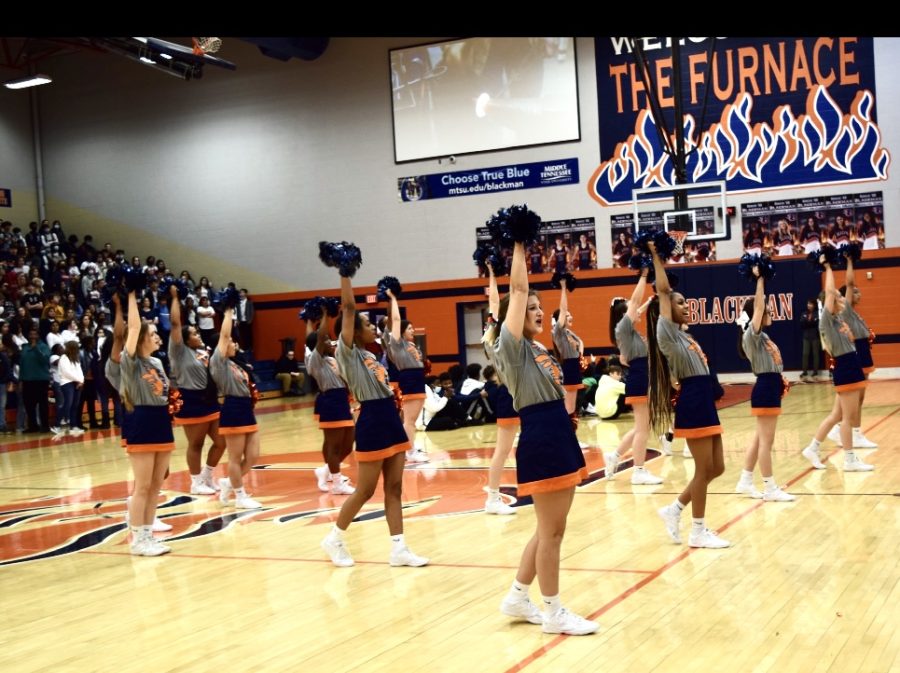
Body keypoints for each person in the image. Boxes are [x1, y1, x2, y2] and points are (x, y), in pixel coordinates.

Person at [491, 235, 595, 636]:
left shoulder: (540, 350)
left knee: (550, 527)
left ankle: (519, 595)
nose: (538, 311)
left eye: (540, 306)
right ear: (513, 317)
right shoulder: (511, 346)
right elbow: (516, 289)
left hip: (557, 434)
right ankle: (553, 613)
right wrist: (519, 243)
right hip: (542, 438)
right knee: (552, 531)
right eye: (530, 307)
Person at [320, 257, 428, 568]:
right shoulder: (347, 351)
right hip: (371, 421)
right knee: (366, 490)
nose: (371, 327)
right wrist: (345, 275)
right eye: (367, 324)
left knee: (395, 488)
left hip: (390, 420)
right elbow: (350, 310)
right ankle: (335, 537)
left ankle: (399, 549)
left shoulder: (370, 355)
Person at [648, 240, 730, 549]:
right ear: (666, 309)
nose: (685, 306)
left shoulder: (686, 336)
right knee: (703, 469)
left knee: (717, 467)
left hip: (703, 397)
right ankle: (697, 531)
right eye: (680, 303)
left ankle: (675, 509)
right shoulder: (665, 332)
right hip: (693, 400)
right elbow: (664, 291)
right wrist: (656, 254)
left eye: (685, 303)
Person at [801, 254, 875, 472]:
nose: (843, 301)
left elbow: (840, 295)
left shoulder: (839, 319)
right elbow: (832, 293)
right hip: (846, 367)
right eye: (838, 300)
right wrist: (828, 267)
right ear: (830, 304)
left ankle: (812, 448)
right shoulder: (826, 320)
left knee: (837, 415)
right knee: (847, 417)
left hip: (849, 365)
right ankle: (850, 459)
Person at [121, 288, 175, 556]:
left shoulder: (157, 361)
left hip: (161, 422)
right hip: (141, 420)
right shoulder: (130, 362)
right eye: (152, 333)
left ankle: (148, 535)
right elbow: (132, 327)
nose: (157, 337)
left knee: (156, 485)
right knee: (141, 486)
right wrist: (131, 295)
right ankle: (137, 540)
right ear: (141, 338)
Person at [734, 267, 795, 501]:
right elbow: (759, 306)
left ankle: (745, 481)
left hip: (771, 386)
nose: (769, 311)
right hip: (765, 388)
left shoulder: (764, 337)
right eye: (766, 309)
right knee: (766, 442)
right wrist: (760, 279)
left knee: (760, 438)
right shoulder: (752, 334)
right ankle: (770, 488)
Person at [605, 269, 664, 485]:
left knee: (641, 426)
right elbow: (634, 303)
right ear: (625, 315)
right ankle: (638, 470)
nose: (636, 310)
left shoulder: (627, 330)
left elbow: (636, 306)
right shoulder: (623, 327)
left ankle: (614, 455)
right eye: (632, 308)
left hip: (641, 376)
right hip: (639, 378)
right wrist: (643, 277)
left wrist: (649, 302)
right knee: (643, 428)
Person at [169, 284, 226, 496]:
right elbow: (175, 324)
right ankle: (195, 482)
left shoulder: (202, 351)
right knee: (197, 443)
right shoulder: (179, 352)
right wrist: (174, 298)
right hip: (191, 400)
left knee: (221, 442)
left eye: (196, 331)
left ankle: (207, 476)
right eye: (193, 333)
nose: (198, 334)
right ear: (183, 340)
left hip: (210, 400)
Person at [822, 256, 879, 452]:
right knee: (854, 400)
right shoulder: (844, 310)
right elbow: (849, 282)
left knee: (858, 399)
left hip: (861, 352)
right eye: (855, 291)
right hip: (854, 355)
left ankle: (848, 431)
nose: (858, 293)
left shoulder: (852, 312)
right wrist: (849, 261)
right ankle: (851, 432)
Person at [211, 303, 263, 508]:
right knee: (235, 457)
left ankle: (228, 483)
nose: (234, 344)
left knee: (252, 456)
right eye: (231, 342)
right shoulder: (218, 361)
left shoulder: (234, 364)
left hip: (245, 409)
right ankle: (239, 496)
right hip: (232, 408)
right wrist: (229, 312)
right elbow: (224, 336)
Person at [482, 261, 519, 515]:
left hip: (523, 392)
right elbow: (494, 303)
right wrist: (492, 275)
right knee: (503, 449)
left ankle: (535, 484)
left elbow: (495, 303)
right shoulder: (497, 335)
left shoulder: (507, 332)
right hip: (509, 393)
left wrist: (493, 274)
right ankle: (492, 498)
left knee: (528, 442)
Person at [306, 315, 356, 496]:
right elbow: (320, 336)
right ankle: (336, 483)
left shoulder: (331, 359)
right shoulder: (315, 360)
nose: (329, 341)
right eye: (326, 340)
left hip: (342, 400)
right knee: (333, 446)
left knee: (349, 444)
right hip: (331, 402)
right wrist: (326, 314)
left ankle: (326, 471)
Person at [382, 288, 429, 463]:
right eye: (409, 328)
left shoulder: (410, 345)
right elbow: (394, 319)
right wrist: (393, 299)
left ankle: (410, 446)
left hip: (417, 380)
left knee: (412, 420)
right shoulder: (397, 344)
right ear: (400, 331)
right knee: (409, 420)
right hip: (409, 380)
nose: (413, 330)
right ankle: (409, 452)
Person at [550, 281, 584, 422]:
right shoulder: (558, 331)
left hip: (574, 365)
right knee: (568, 407)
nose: (570, 317)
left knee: (572, 406)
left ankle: (570, 435)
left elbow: (581, 342)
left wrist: (580, 355)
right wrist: (563, 288)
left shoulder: (569, 332)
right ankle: (565, 435)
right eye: (567, 315)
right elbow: (563, 309)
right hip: (568, 367)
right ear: (561, 318)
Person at [799, 298, 820, 381]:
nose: (809, 305)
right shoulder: (804, 313)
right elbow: (802, 324)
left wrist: (809, 322)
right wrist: (811, 322)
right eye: (808, 303)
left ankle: (815, 372)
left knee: (815, 354)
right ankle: (804, 371)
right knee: (805, 354)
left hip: (815, 336)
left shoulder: (817, 313)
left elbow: (817, 323)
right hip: (806, 337)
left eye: (810, 304)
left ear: (814, 305)